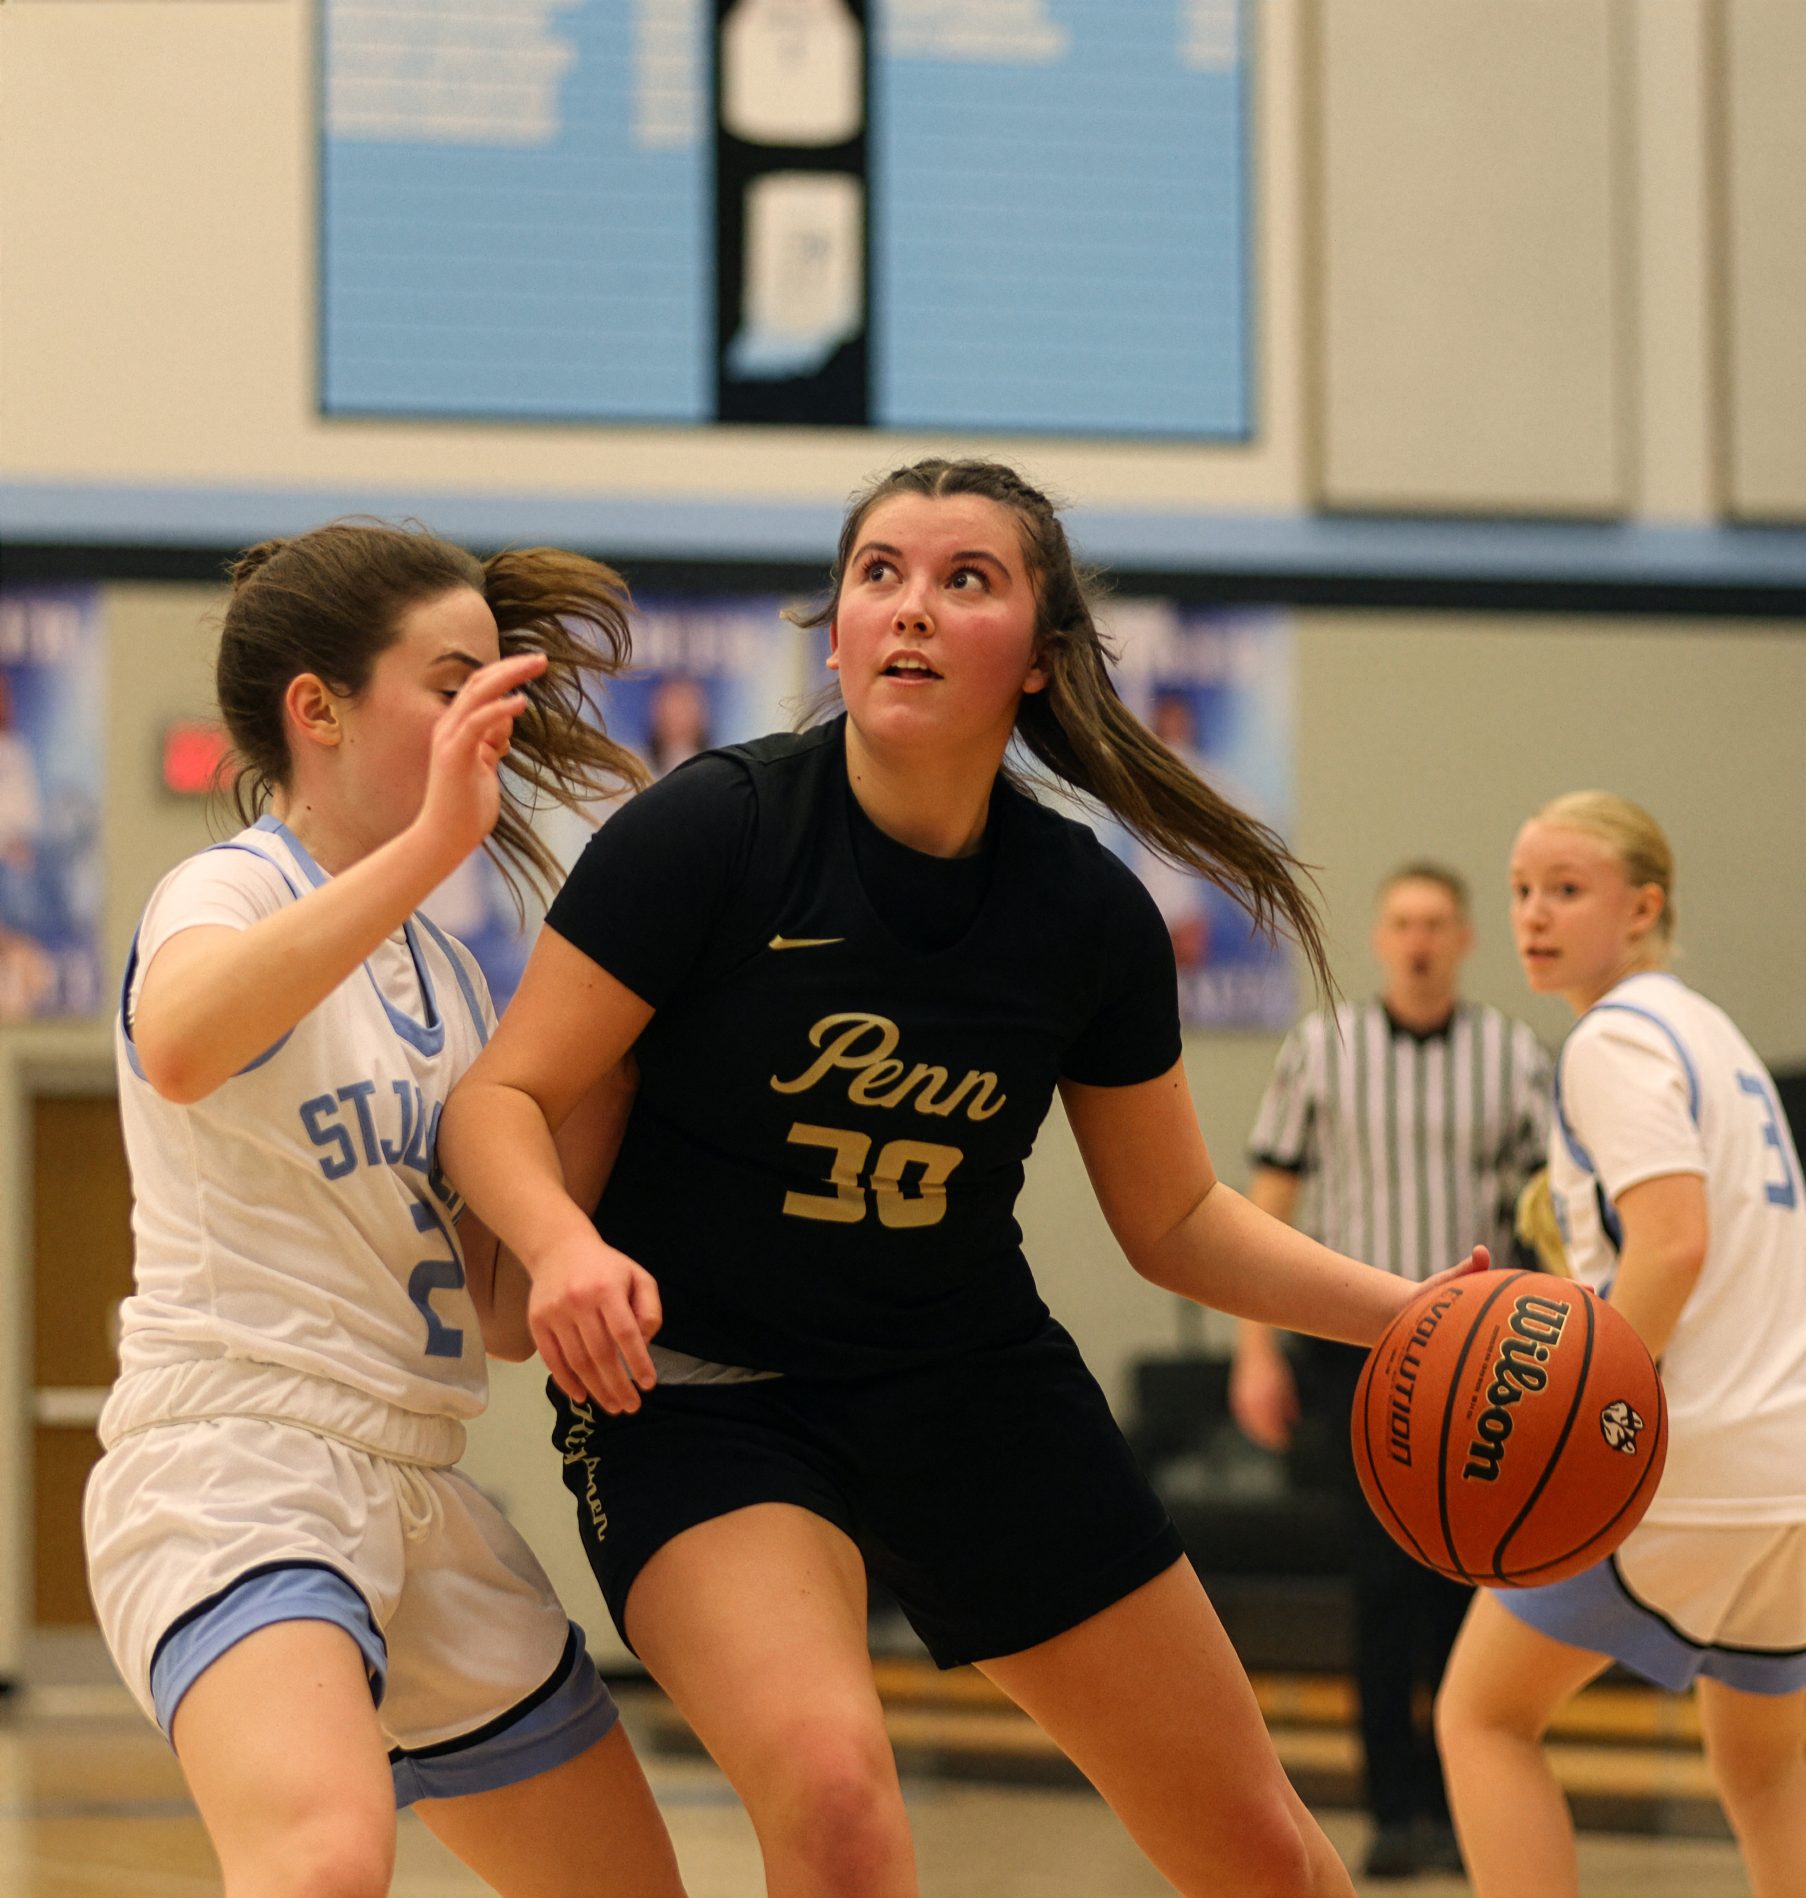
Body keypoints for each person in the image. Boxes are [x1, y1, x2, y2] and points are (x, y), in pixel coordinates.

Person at [440, 457, 1490, 1898]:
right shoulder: (717, 831)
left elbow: (1175, 1217)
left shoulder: (1086, 913)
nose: (911, 607)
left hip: (967, 1381)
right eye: (879, 572)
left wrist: (1415, 1316)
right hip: (703, 1398)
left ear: (1043, 664)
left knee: (1265, 1854)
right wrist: (560, 1243)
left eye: (964, 578)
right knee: (837, 1794)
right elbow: (502, 1095)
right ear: (835, 635)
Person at [84, 523, 689, 1898]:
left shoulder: (451, 978)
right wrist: (431, 846)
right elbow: (178, 1040)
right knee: (323, 1864)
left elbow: (498, 1314)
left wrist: (619, 1048)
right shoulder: (231, 884)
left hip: (419, 1483)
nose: (493, 711)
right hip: (238, 1463)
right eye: (450, 676)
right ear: (319, 708)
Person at [1435, 791, 1806, 1898]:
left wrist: (1576, 1415)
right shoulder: (1711, 1031)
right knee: (1766, 1773)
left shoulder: (1612, 1038)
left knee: (1482, 1715)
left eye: (1566, 889)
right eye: (1523, 888)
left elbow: (1672, 1242)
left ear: (1644, 907)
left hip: (1693, 1450)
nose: (1534, 913)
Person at [1229, 863, 1551, 1879]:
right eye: (1403, 920)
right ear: (1381, 937)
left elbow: (1548, 1214)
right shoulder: (1323, 1047)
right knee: (1379, 1583)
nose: (1418, 938)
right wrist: (1252, 1347)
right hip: (1353, 1350)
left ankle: (1467, 1799)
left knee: (1468, 1576)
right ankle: (1393, 1808)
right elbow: (1263, 1202)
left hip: (1479, 1353)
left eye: (1437, 923)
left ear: (1462, 940)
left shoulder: (1512, 1054)